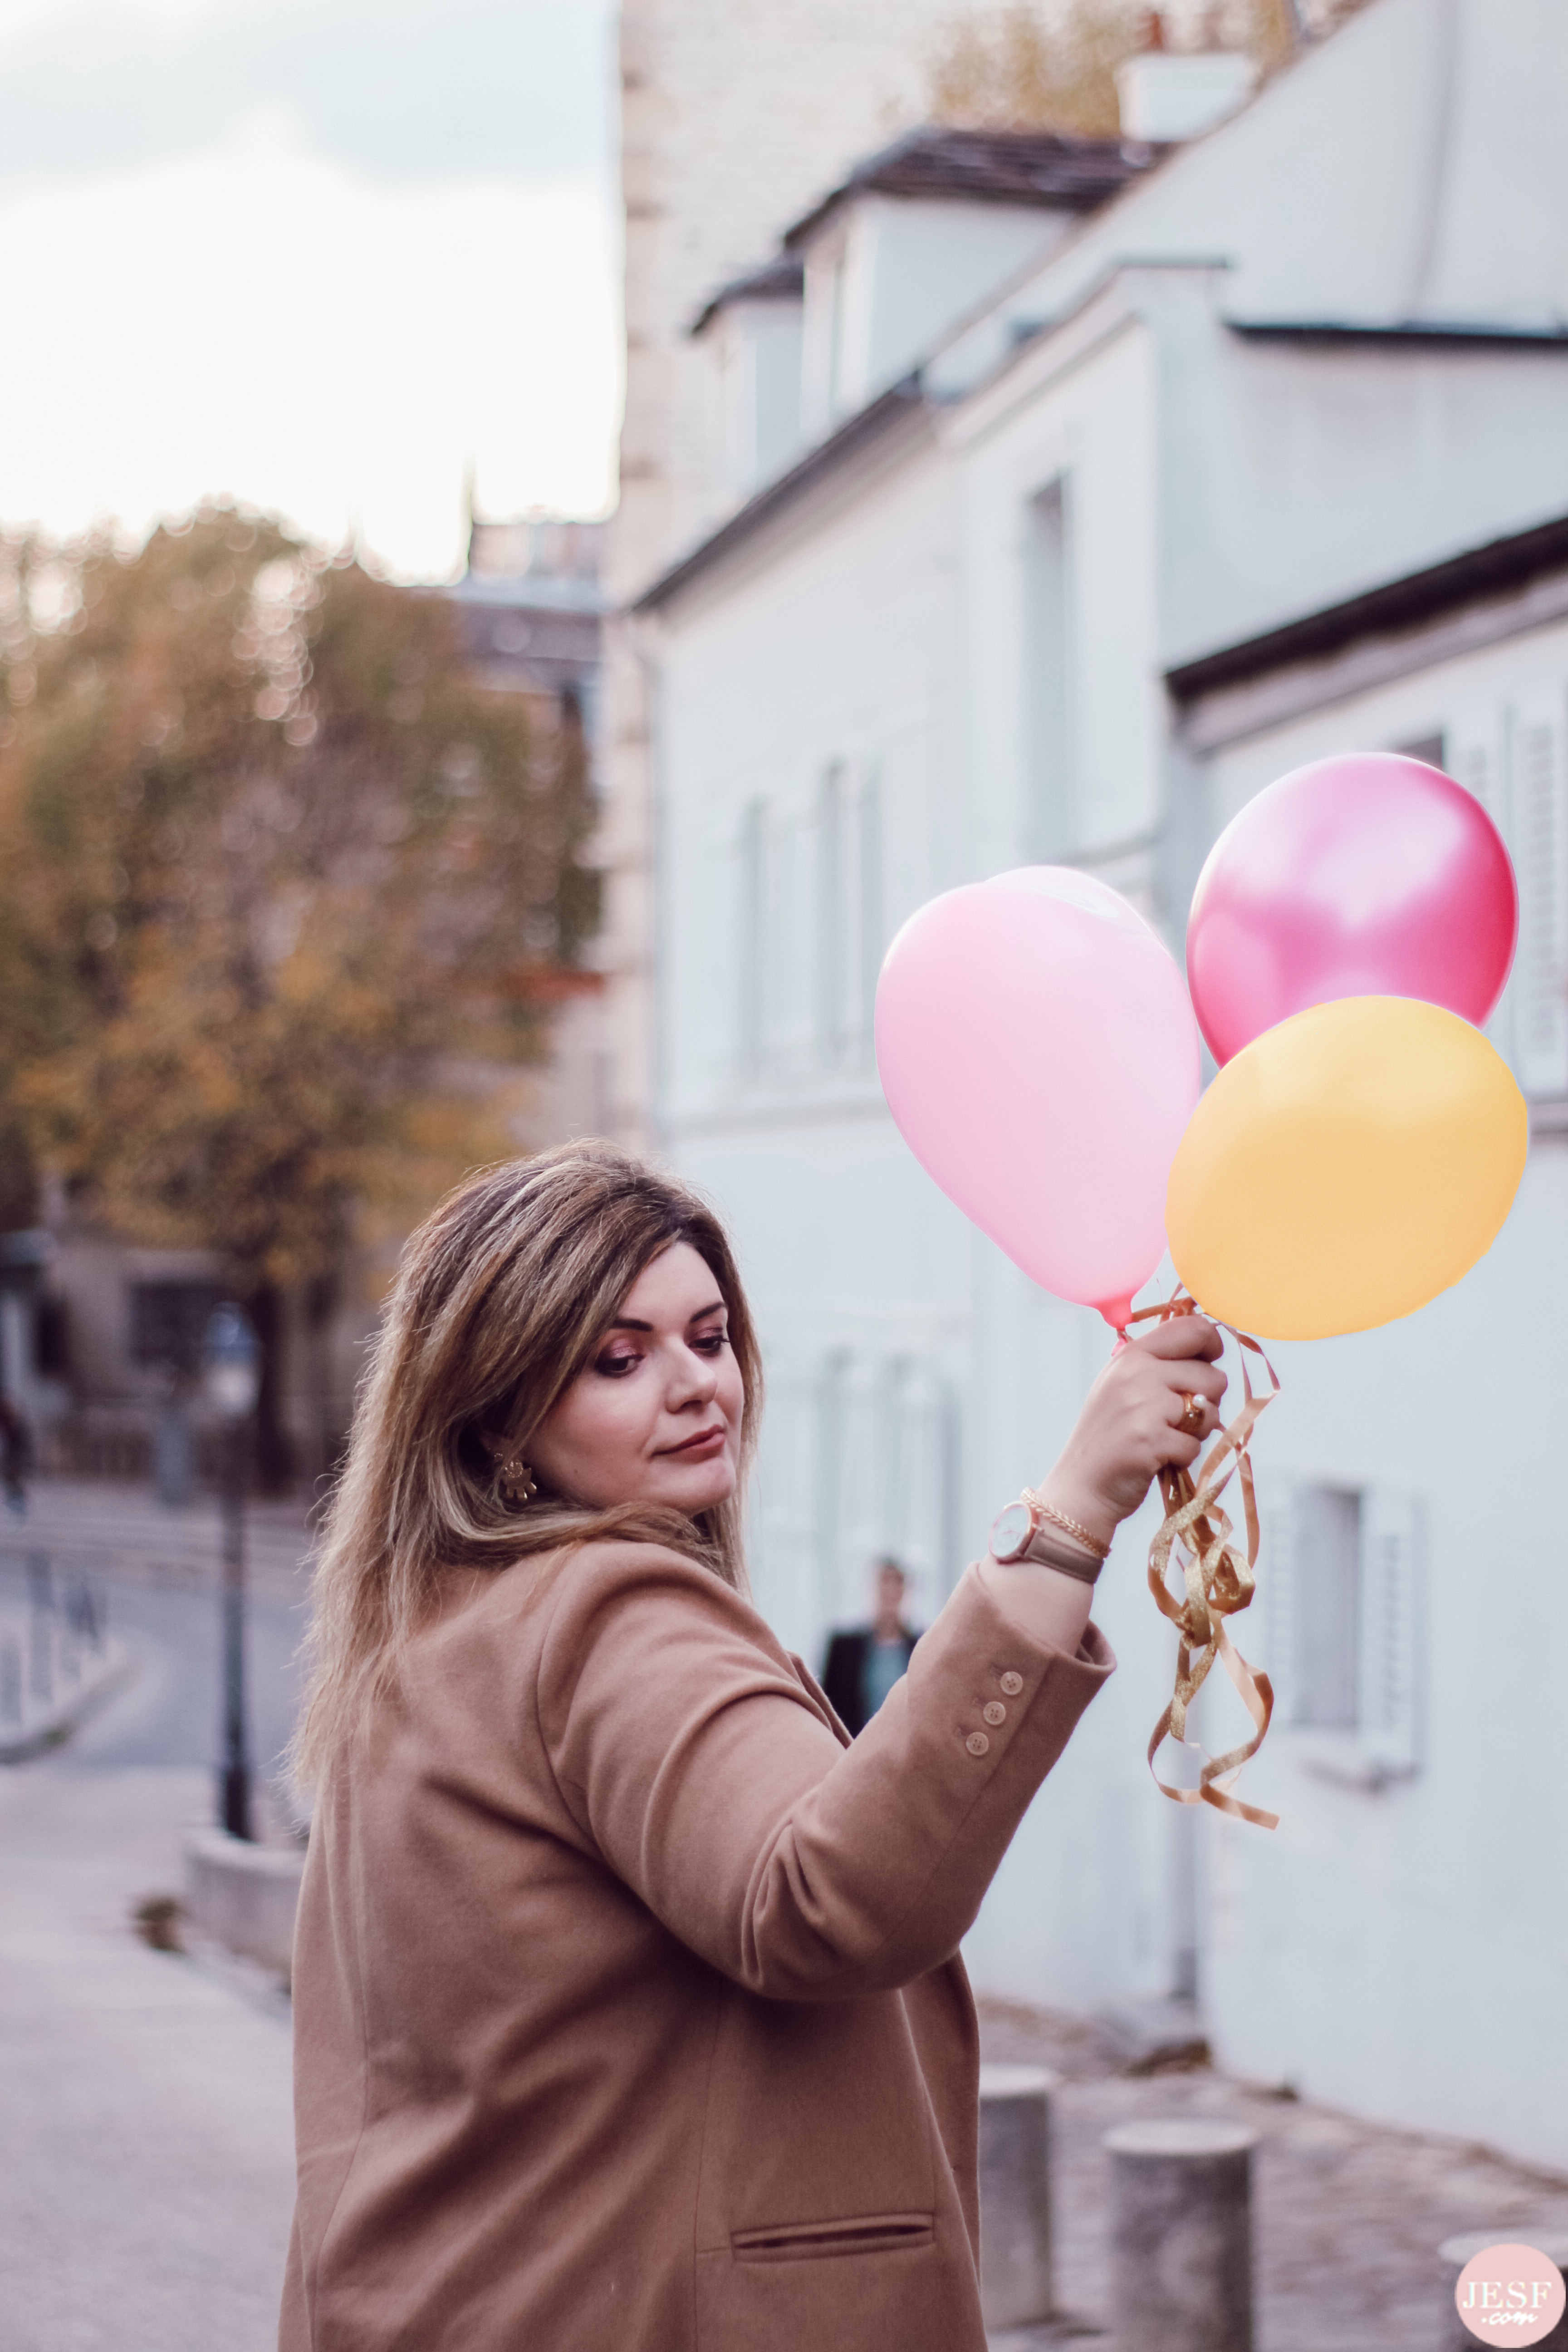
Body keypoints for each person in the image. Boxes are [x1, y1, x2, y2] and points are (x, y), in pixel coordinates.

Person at [280, 1141, 1226, 2352]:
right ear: (498, 1418)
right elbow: (834, 1897)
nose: (695, 1385)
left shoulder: (434, 1630)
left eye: (710, 1335)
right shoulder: (604, 1615)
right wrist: (1067, 1520)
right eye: (618, 1359)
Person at [822, 1557, 920, 1736]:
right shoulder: (843, 1648)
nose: (890, 1589)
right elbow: (827, 1709)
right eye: (884, 1581)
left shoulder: (923, 1647)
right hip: (854, 1748)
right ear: (871, 1589)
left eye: (897, 1582)